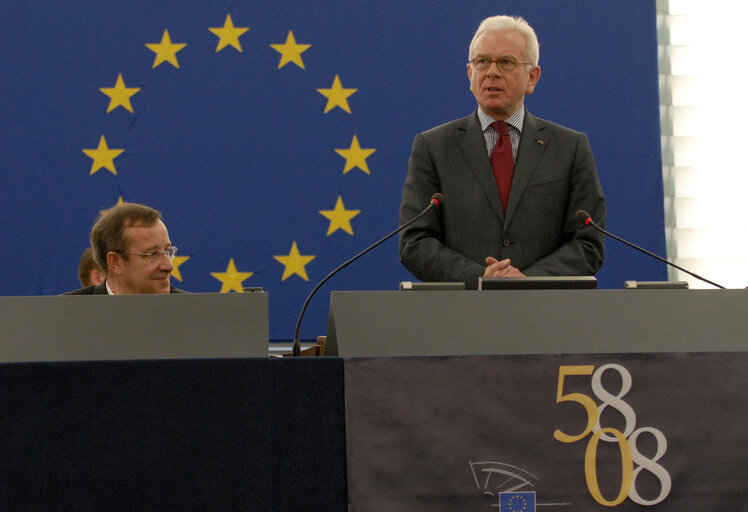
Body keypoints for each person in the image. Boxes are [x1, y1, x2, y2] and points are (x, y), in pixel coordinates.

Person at [398, 15, 606, 289]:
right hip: (461, 316)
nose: (492, 72)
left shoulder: (569, 147)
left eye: (506, 62)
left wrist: (528, 281)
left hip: (545, 315)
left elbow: (588, 242)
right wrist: (481, 278)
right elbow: (415, 241)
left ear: (532, 77)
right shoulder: (434, 146)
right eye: (482, 61)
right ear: (470, 74)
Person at [65, 202, 185, 294]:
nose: (169, 266)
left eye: (167, 251)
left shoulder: (194, 312)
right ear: (115, 262)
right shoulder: (65, 315)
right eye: (152, 254)